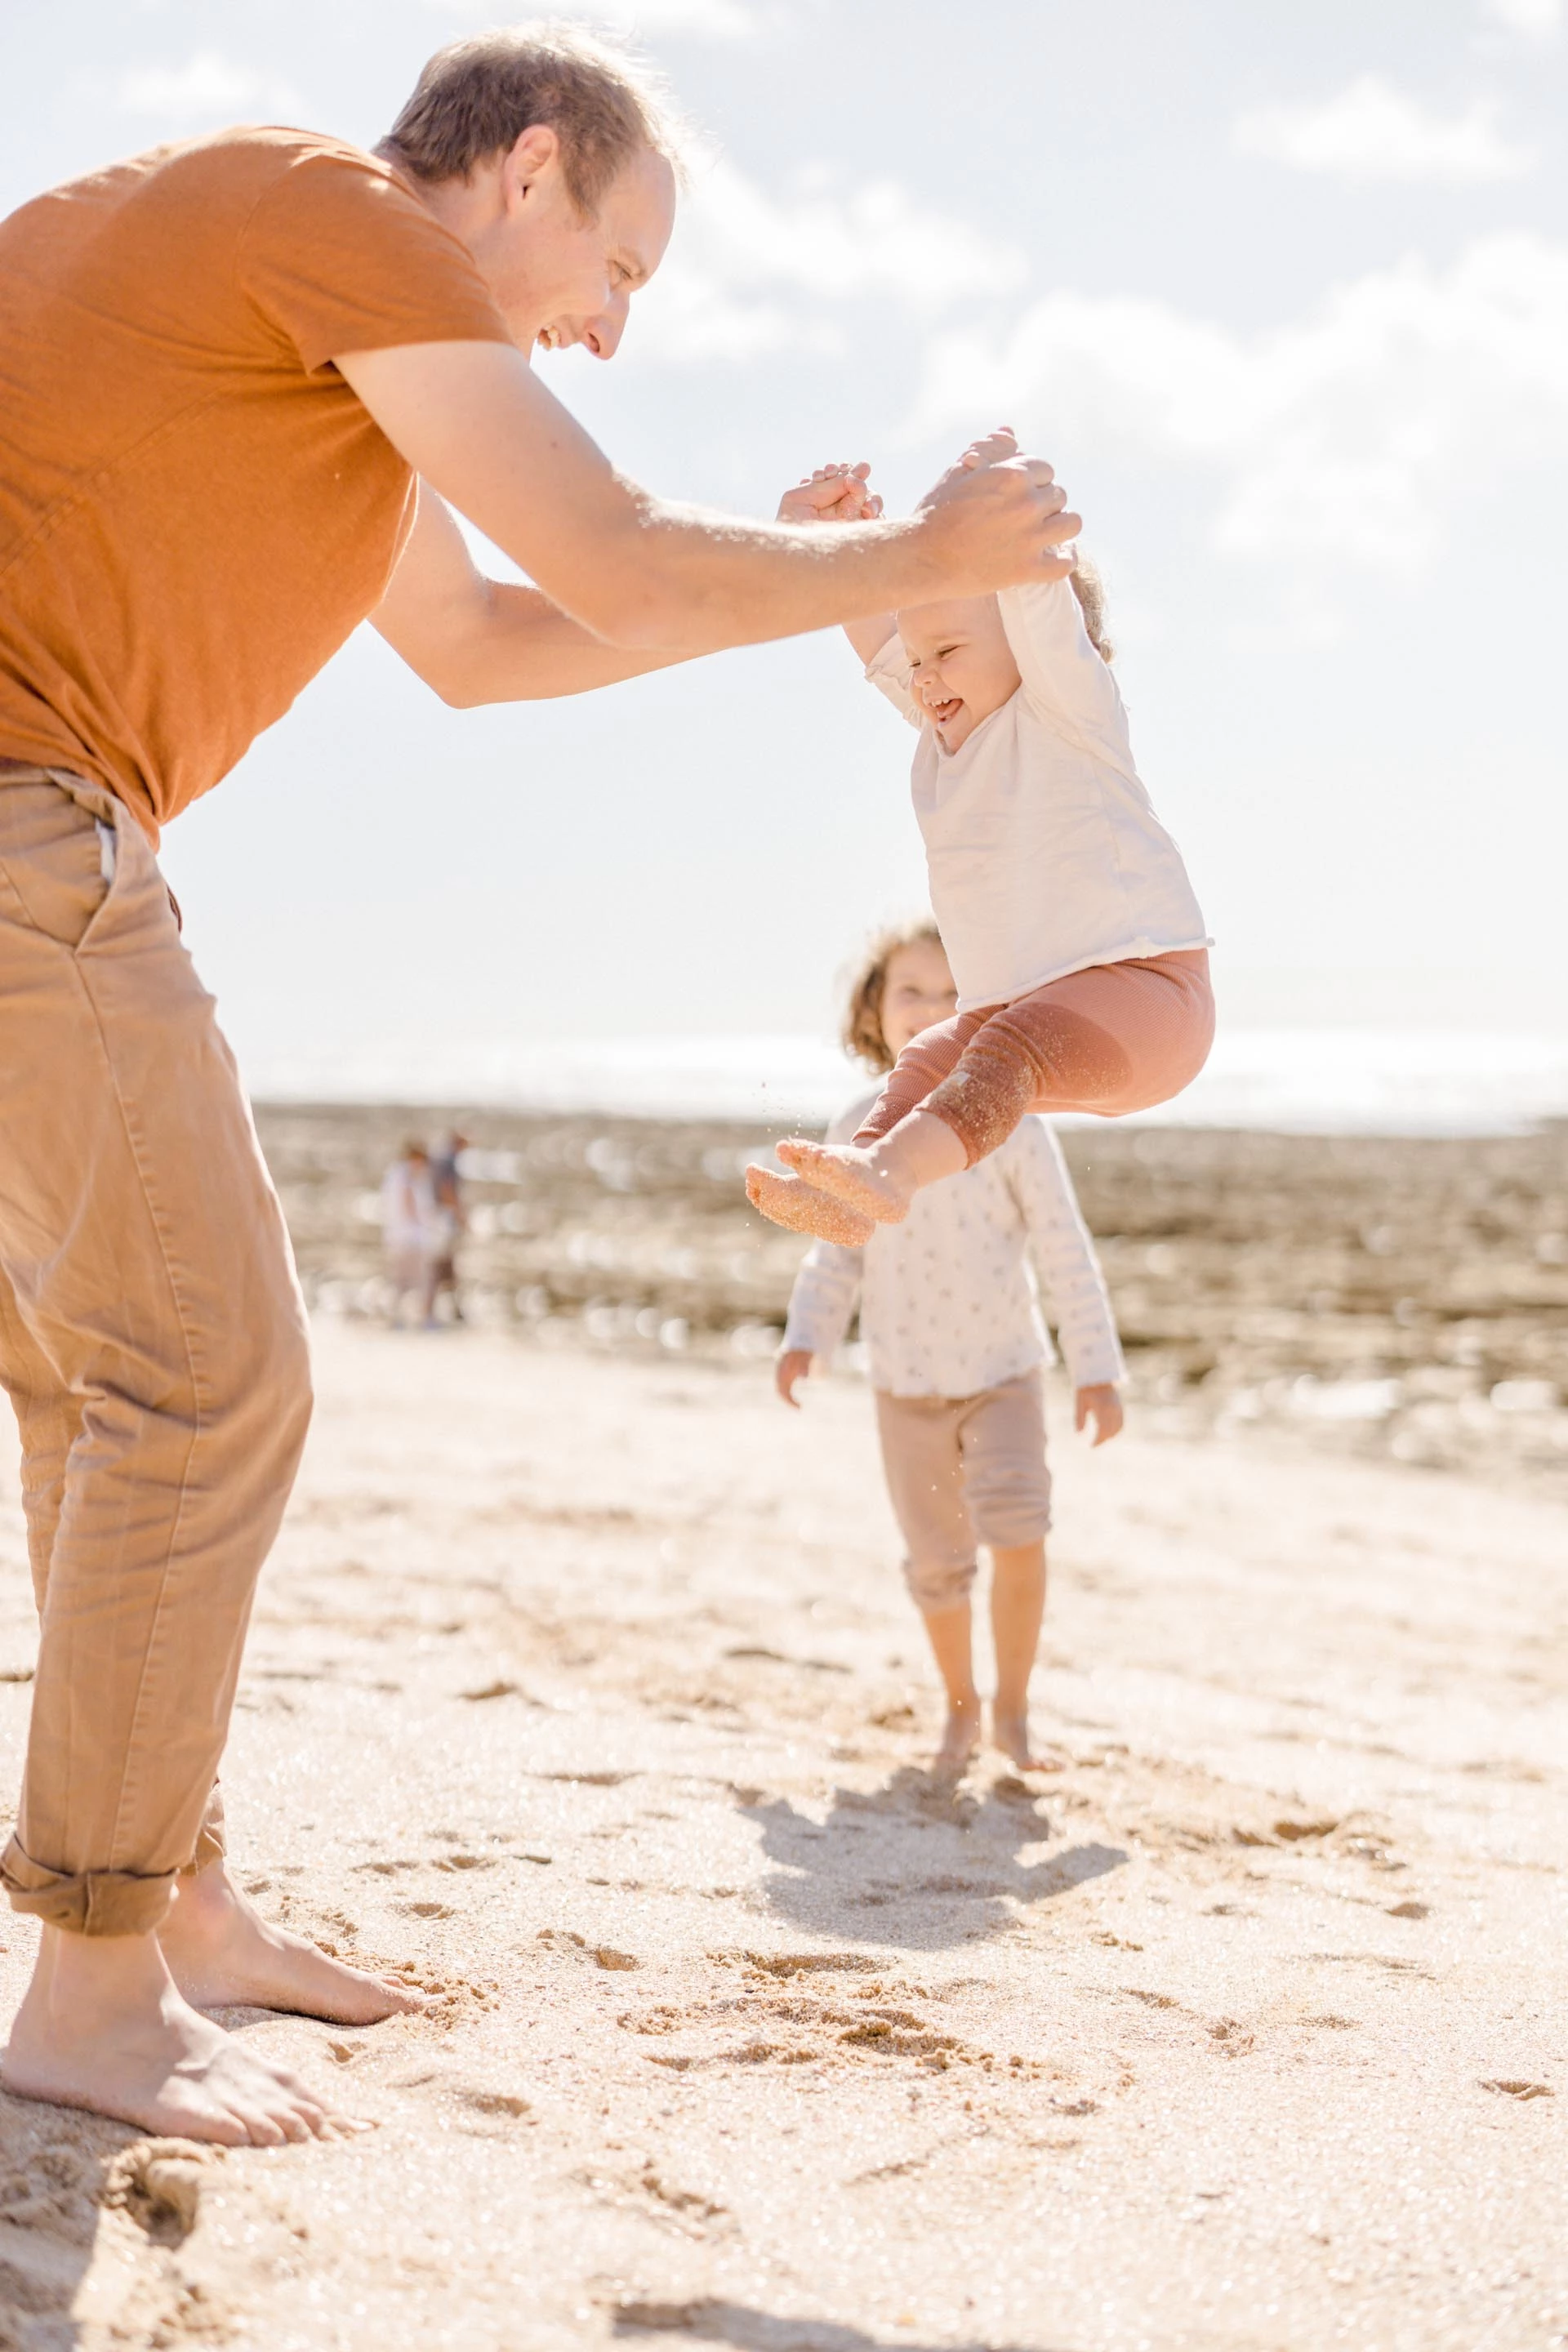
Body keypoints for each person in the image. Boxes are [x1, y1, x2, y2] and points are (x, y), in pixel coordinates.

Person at [0, 25, 1085, 2145]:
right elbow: (619, 557)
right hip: (32, 824)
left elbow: (491, 643)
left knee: (103, 1396)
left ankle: (171, 1906)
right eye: (620, 266)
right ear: (519, 171)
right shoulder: (332, 215)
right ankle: (94, 1987)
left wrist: (802, 589)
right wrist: (912, 553)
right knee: (206, 1386)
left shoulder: (326, 339)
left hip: (40, 830)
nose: (612, 327)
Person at [747, 442, 1214, 1249]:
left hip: (1148, 1000)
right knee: (929, 1057)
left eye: (947, 653)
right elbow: (879, 633)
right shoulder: (944, 734)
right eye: (918, 658)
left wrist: (983, 513)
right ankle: (857, 1179)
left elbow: (1035, 603)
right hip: (1028, 1017)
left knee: (1003, 1046)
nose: (923, 676)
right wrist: (838, 548)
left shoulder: (1066, 709)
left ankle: (891, 1176)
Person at [777, 921, 1125, 1775]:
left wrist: (1097, 1368)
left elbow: (1064, 1247)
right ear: (874, 1010)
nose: (932, 1007)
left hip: (1005, 1375)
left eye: (953, 993)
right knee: (937, 1565)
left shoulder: (1017, 1122)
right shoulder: (858, 1125)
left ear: (989, 1008)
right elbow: (836, 1251)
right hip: (905, 1386)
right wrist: (807, 1335)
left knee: (1021, 1532)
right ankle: (961, 1709)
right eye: (912, 991)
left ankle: (1013, 1711)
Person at [381, 1140, 443, 1326]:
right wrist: (429, 1224)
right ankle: (425, 1317)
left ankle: (397, 1317)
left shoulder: (392, 1174)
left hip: (395, 1235)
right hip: (411, 1237)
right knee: (424, 1280)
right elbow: (410, 1206)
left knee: (400, 1280)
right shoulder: (407, 1175)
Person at [426, 1129, 470, 1322]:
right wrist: (461, 1216)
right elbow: (447, 1190)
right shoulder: (448, 1161)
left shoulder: (439, 1160)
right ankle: (436, 1307)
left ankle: (445, 1306)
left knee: (443, 1264)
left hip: (438, 1218)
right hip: (445, 1220)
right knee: (443, 1264)